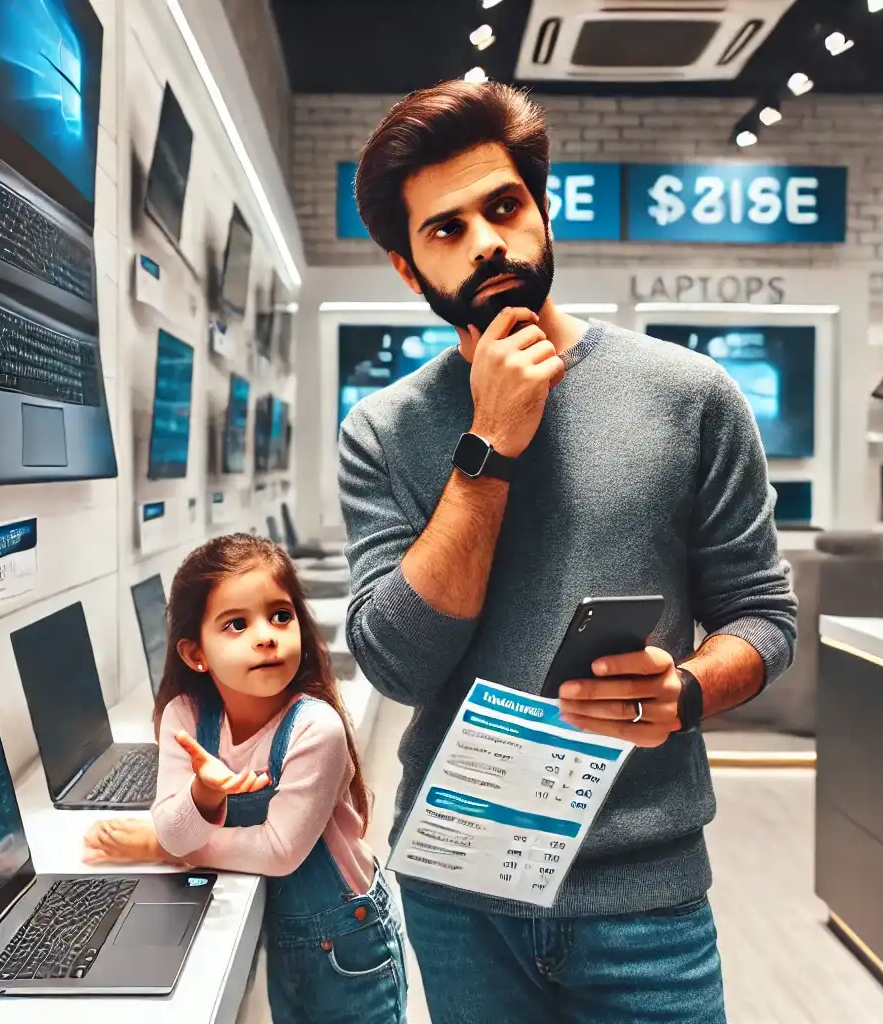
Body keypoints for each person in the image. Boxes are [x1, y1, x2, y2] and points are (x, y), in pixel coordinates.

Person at [338, 79, 798, 1023]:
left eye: (504, 207)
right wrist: (488, 446)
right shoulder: (382, 431)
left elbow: (765, 614)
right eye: (445, 230)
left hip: (645, 898)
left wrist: (690, 691)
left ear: (543, 210)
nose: (487, 243)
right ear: (405, 265)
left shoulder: (690, 394)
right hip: (460, 890)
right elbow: (397, 663)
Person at [82, 534, 407, 1024]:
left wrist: (159, 847)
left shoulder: (315, 728)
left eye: (280, 616)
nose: (266, 635)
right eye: (237, 624)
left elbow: (277, 851)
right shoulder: (185, 717)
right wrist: (203, 793)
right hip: (289, 934)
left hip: (349, 943)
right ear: (196, 654)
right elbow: (175, 825)